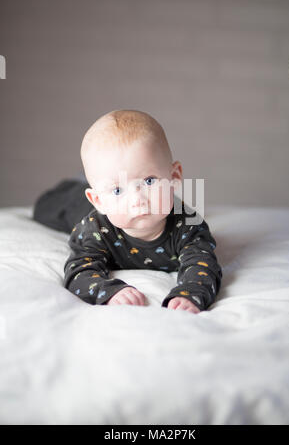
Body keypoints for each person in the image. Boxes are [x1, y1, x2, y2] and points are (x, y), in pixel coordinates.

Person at [34, 109, 222, 313]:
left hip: (118, 203)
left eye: (149, 180)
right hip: (83, 206)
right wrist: (108, 291)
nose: (137, 200)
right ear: (98, 200)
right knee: (46, 209)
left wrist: (190, 293)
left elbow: (203, 264)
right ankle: (81, 185)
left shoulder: (189, 225)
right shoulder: (94, 229)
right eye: (118, 190)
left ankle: (109, 182)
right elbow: (79, 272)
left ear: (174, 176)